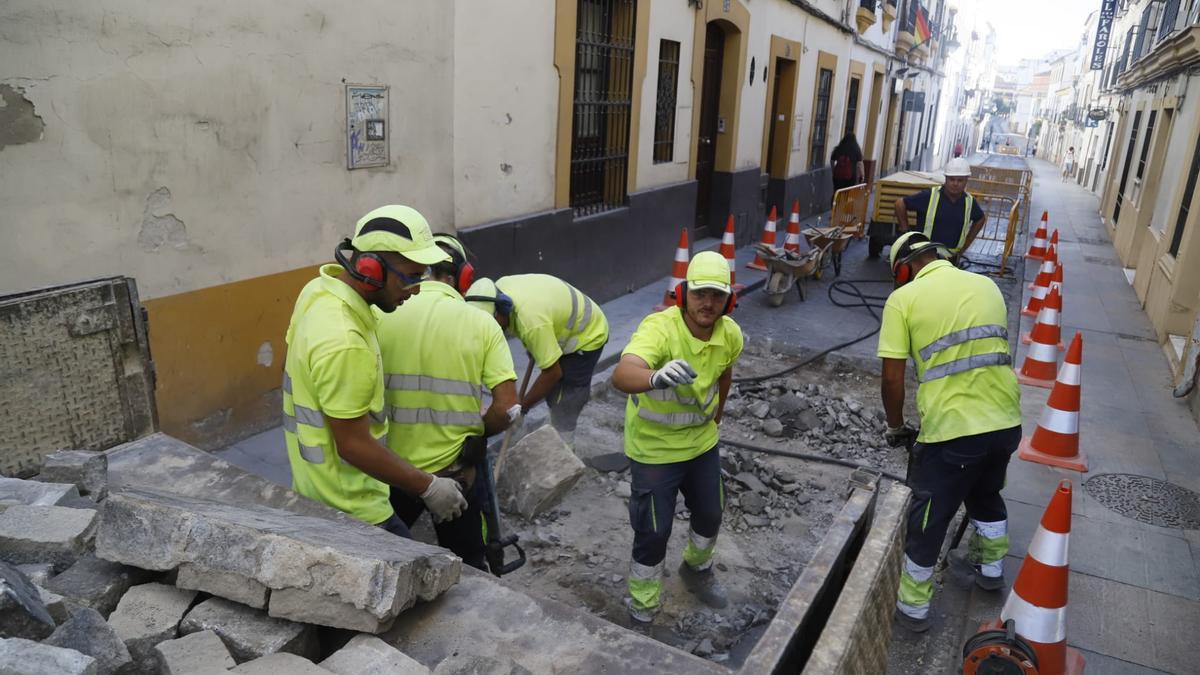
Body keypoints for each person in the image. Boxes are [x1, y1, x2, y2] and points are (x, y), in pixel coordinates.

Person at [282, 205, 468, 537]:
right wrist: (428, 486)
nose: (418, 289)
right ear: (370, 269)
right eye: (411, 276)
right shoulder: (345, 341)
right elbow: (353, 446)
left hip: (315, 487)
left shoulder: (317, 292)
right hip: (354, 507)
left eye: (424, 276)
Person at [877, 232, 1022, 633]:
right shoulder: (987, 285)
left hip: (954, 430)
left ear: (905, 267)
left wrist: (895, 426)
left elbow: (892, 379)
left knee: (929, 517)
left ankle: (913, 608)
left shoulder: (903, 300)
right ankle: (991, 568)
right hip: (1006, 420)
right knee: (985, 492)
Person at [611, 251, 744, 624]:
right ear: (683, 293)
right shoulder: (660, 329)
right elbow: (622, 374)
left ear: (729, 300)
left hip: (701, 443)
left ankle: (697, 569)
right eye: (700, 293)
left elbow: (724, 376)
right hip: (654, 449)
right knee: (654, 530)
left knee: (711, 510)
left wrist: (716, 419)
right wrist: (654, 377)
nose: (708, 303)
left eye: (717, 295)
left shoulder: (730, 334)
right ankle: (643, 605)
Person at [375, 233, 519, 570]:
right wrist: (480, 430)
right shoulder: (481, 322)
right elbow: (507, 408)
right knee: (468, 563)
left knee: (384, 559)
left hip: (393, 471)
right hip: (455, 476)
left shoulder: (380, 315)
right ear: (462, 277)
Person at [466, 274, 609, 449]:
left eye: (491, 323)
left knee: (565, 399)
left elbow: (553, 373)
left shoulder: (532, 322)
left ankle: (564, 452)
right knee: (552, 393)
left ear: (502, 308)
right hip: (557, 325)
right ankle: (553, 436)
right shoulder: (500, 291)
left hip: (587, 335)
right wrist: (535, 346)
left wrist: (522, 407)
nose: (489, 329)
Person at [893, 157, 986, 261]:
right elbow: (900, 204)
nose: (955, 183)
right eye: (951, 179)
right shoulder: (929, 196)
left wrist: (965, 247)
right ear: (946, 178)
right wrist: (906, 234)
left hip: (951, 259)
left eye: (960, 180)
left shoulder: (969, 202)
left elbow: (980, 218)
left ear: (966, 180)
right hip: (924, 256)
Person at [830, 132, 865, 201]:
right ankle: (845, 208)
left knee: (837, 191)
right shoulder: (856, 149)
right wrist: (862, 175)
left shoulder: (839, 148)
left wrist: (834, 170)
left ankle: (835, 208)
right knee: (848, 193)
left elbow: (832, 160)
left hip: (838, 176)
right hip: (851, 176)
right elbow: (860, 164)